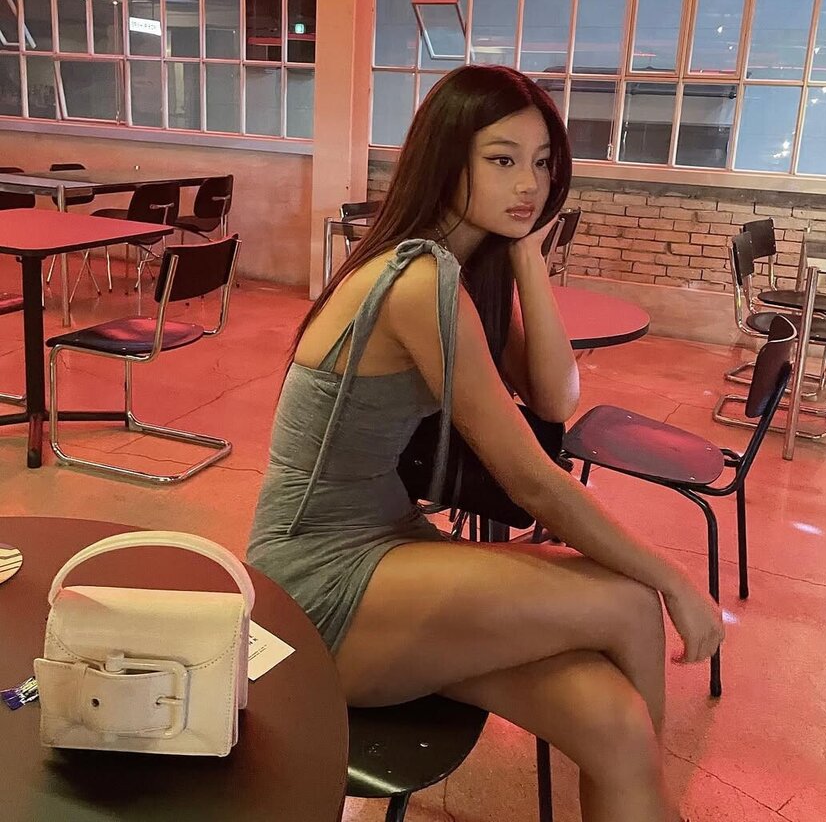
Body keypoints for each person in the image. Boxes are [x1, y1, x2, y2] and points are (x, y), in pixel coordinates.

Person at [248, 64, 723, 822]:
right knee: (633, 602)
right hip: (316, 580)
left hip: (389, 546)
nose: (528, 184)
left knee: (614, 724)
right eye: (502, 160)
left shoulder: (460, 270)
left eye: (542, 163)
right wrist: (674, 579)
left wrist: (528, 254)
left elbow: (556, 397)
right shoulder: (417, 280)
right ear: (446, 160)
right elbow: (531, 480)